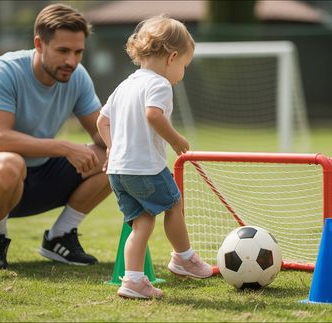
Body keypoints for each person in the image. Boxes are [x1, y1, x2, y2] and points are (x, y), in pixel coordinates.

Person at [0, 3, 111, 271]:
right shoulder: (5, 70)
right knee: (9, 163)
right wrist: (64, 147)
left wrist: (130, 154)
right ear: (39, 44)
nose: (71, 61)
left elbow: (101, 132)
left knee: (114, 158)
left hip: (41, 179)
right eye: (63, 51)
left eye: (78, 52)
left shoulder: (78, 77)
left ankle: (59, 237)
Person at [96, 15, 212, 299]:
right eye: (184, 65)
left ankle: (133, 280)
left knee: (142, 221)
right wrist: (176, 140)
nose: (182, 73)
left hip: (118, 171)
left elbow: (102, 121)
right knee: (174, 204)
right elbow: (152, 115)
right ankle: (184, 258)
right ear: (172, 57)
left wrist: (111, 148)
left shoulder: (125, 85)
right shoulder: (159, 84)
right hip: (144, 167)